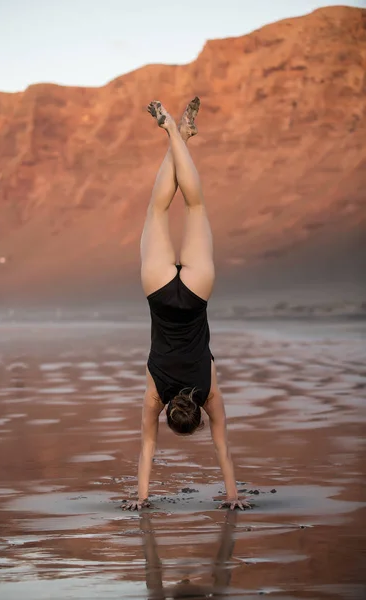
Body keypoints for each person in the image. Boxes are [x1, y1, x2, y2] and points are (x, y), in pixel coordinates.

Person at [122, 98, 250, 511]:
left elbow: (223, 449)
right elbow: (146, 448)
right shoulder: (154, 394)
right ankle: (174, 133)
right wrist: (141, 497)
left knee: (194, 205)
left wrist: (232, 496)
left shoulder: (208, 390)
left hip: (196, 293)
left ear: (195, 410)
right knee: (158, 210)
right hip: (159, 293)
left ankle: (180, 134)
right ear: (171, 412)